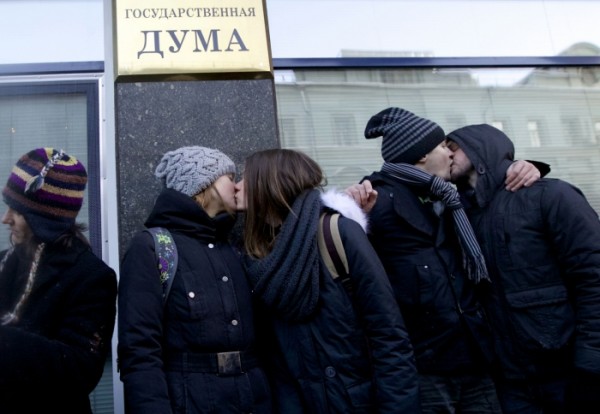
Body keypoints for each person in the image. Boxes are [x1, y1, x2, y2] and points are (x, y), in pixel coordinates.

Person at [236, 148, 420, 413]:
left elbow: (388, 334)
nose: (237, 187)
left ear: (270, 183)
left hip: (353, 402)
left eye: (246, 178)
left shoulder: (337, 233)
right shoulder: (257, 252)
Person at [345, 107, 502, 413]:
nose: (450, 154)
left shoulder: (450, 197)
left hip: (474, 356)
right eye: (443, 146)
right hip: (425, 365)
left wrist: (520, 167)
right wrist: (354, 216)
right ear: (420, 156)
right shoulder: (374, 201)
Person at [446, 124, 600, 413]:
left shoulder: (551, 196)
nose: (446, 154)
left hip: (568, 371)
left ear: (481, 148)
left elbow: (593, 276)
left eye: (452, 146)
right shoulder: (459, 216)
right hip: (510, 382)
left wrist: (592, 360)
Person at [117, 146, 272, 414]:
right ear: (204, 184)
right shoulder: (153, 248)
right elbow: (139, 350)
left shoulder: (235, 247)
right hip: (190, 402)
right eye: (229, 177)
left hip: (255, 400)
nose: (236, 186)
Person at [0, 147, 118, 414]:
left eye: (16, 211)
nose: (5, 219)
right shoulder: (4, 262)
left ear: (43, 219)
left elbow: (80, 369)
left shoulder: (90, 277)